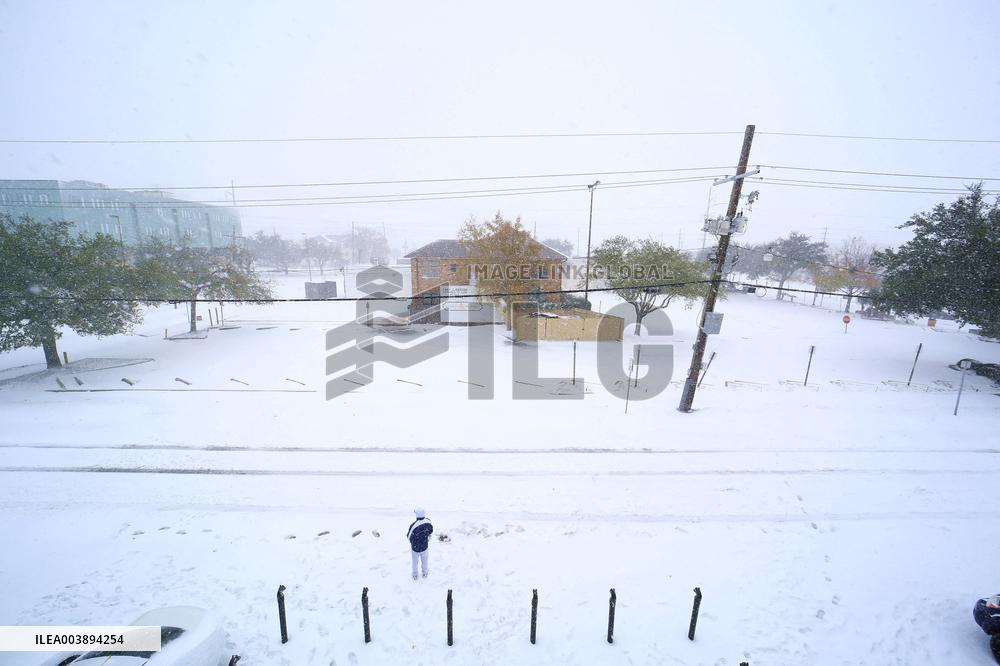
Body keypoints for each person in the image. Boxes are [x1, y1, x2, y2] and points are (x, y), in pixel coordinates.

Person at [407, 508, 433, 580]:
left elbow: (409, 537)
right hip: (425, 546)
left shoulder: (414, 525)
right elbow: (431, 530)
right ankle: (424, 573)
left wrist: (413, 542)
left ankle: (415, 575)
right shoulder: (428, 522)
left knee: (415, 562)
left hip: (415, 548)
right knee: (425, 560)